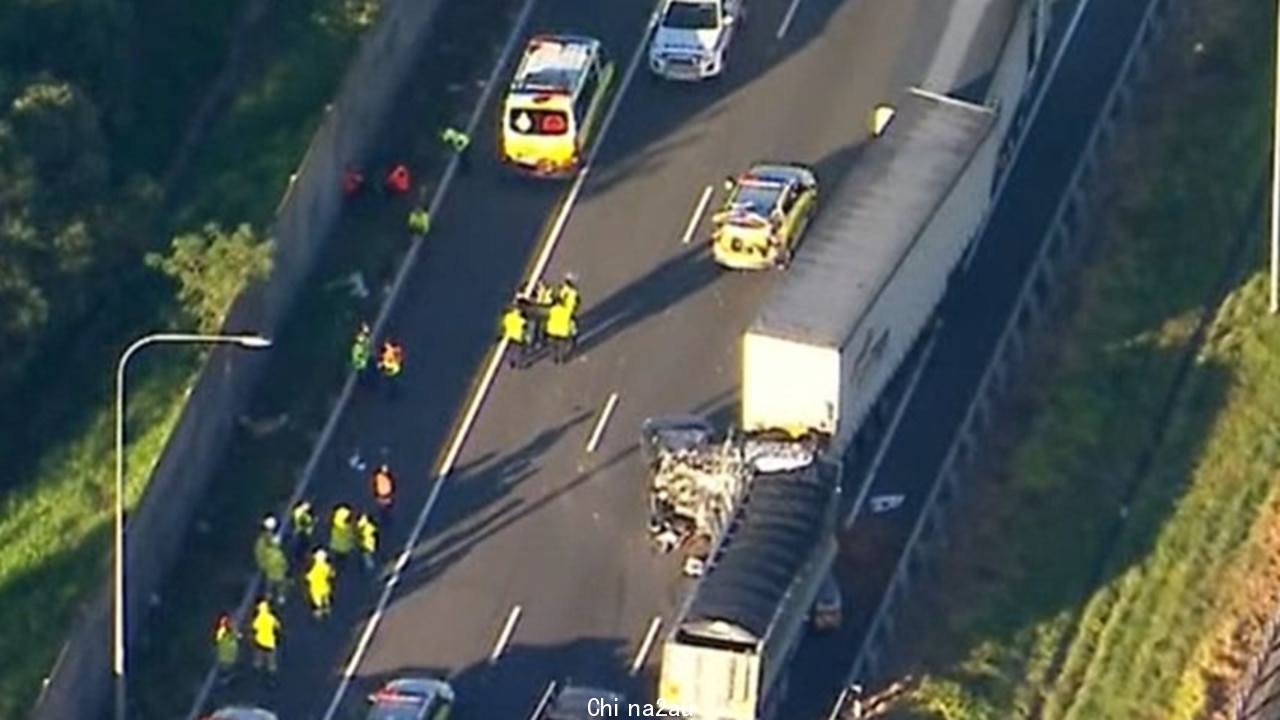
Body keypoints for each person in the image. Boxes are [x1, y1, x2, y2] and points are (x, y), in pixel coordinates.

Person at [250, 598, 281, 678]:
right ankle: (271, 674)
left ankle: (257, 667)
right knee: (271, 660)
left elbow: (254, 628)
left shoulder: (258, 618)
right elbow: (277, 627)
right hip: (270, 642)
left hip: (259, 641)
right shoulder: (271, 617)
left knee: (259, 655)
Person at [544, 297, 578, 364]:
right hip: (563, 332)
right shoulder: (567, 311)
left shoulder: (551, 310)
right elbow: (572, 322)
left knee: (552, 346)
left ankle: (554, 359)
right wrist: (574, 332)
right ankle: (561, 359)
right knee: (562, 347)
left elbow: (546, 321)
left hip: (552, 331)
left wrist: (545, 331)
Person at [260, 530, 290, 606]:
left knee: (269, 585)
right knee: (281, 586)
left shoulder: (267, 552)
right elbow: (283, 563)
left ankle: (268, 595)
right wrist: (286, 569)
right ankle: (281, 597)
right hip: (279, 574)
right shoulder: (279, 554)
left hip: (270, 573)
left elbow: (264, 561)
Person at [305, 548, 336, 619]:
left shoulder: (311, 568)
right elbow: (332, 574)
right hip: (325, 587)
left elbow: (307, 577)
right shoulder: (326, 567)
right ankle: (327, 608)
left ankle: (319, 611)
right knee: (326, 598)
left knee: (317, 601)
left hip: (315, 590)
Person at [500, 304, 533, 368]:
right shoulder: (522, 319)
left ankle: (509, 363)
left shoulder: (508, 316)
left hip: (509, 336)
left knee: (510, 351)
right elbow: (525, 328)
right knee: (518, 352)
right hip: (518, 337)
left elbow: (503, 326)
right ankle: (519, 364)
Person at [212, 612, 240, 685]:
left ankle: (224, 676)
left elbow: (217, 639)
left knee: (224, 662)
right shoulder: (231, 627)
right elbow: (236, 635)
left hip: (223, 648)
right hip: (230, 648)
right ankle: (225, 677)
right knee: (228, 663)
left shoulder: (220, 628)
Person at [329, 504, 356, 569]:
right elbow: (352, 536)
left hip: (336, 544)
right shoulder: (347, 528)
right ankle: (340, 566)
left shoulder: (336, 521)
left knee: (337, 556)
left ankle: (335, 565)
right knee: (343, 558)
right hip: (344, 547)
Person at [289, 499, 316, 564]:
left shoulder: (296, 511)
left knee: (300, 544)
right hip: (304, 532)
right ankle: (300, 558)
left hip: (300, 530)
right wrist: (312, 521)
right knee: (304, 545)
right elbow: (306, 523)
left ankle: (298, 557)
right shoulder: (303, 516)